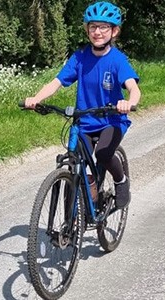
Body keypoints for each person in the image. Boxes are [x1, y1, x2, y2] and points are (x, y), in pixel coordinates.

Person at [24, 1, 141, 209]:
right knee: (74, 162)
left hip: (110, 120)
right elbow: (56, 82)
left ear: (114, 31)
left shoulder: (117, 60)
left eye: (103, 27)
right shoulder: (79, 57)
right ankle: (73, 221)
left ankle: (121, 181)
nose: (97, 32)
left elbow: (133, 88)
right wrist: (36, 98)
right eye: (93, 27)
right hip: (84, 121)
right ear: (87, 30)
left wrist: (128, 102)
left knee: (103, 153)